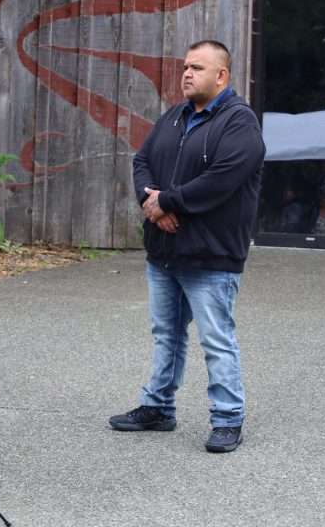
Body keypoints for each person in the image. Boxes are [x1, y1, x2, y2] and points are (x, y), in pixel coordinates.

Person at [110, 40, 264, 453]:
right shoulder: (174, 117)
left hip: (210, 256)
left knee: (216, 340)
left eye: (197, 67)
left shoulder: (239, 123)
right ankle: (158, 407)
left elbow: (222, 179)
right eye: (185, 66)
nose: (187, 74)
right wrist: (152, 203)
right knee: (167, 335)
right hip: (164, 251)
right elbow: (141, 161)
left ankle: (228, 419)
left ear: (222, 76)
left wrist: (169, 201)